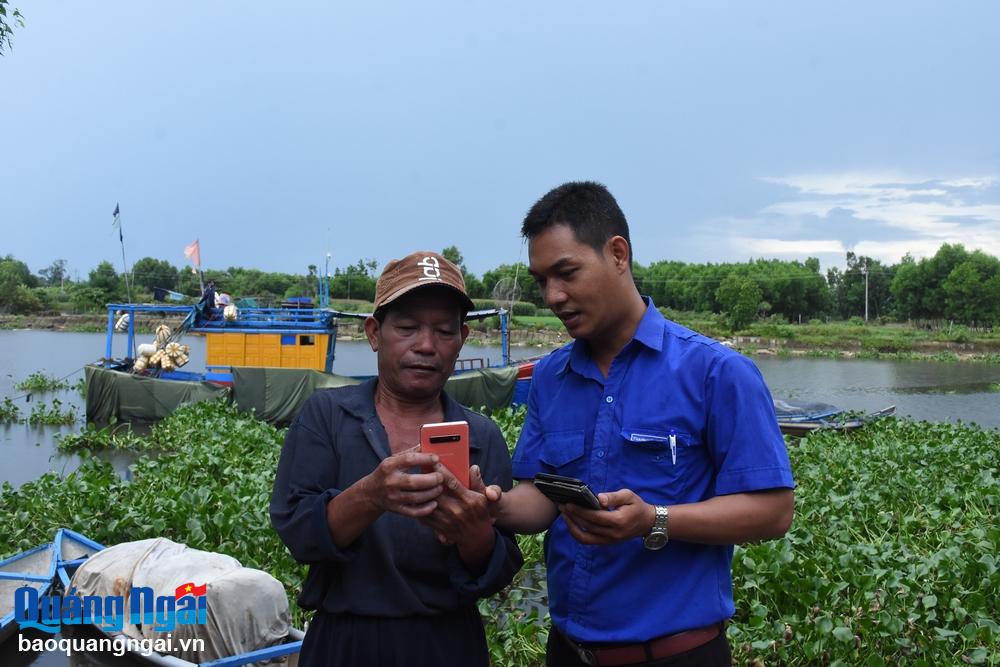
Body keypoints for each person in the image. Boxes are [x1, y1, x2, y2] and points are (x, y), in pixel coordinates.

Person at [487, 182, 795, 666]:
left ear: (617, 254)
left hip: (677, 654)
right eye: (541, 280)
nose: (553, 296)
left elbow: (774, 511)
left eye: (566, 273)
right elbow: (540, 499)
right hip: (568, 652)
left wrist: (655, 520)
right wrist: (489, 507)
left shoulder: (717, 373)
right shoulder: (550, 376)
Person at [270, 250, 523, 667]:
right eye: (406, 328)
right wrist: (371, 495)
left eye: (444, 331)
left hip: (449, 644)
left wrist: (474, 534)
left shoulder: (482, 435)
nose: (426, 345)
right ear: (374, 332)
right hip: (345, 641)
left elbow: (497, 569)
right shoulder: (326, 416)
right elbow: (299, 535)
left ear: (462, 337)